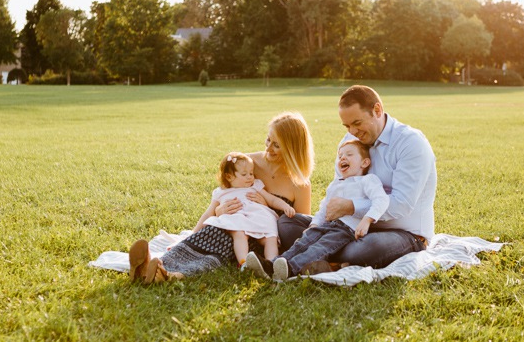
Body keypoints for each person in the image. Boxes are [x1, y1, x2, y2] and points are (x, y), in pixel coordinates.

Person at [129, 112, 314, 284]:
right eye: (268, 140)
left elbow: (295, 230)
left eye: (277, 145)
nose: (269, 149)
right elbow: (224, 195)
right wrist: (219, 211)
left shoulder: (300, 184)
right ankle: (152, 266)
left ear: (292, 148)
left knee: (223, 247)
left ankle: (169, 274)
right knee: (206, 236)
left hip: (261, 239)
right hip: (233, 220)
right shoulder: (249, 163)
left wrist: (267, 206)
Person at [278, 85, 436, 270]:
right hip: (347, 229)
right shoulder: (349, 142)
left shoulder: (410, 143)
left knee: (365, 249)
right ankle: (328, 257)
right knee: (288, 223)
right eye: (347, 126)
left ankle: (322, 256)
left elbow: (402, 204)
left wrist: (352, 207)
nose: (352, 131)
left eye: (357, 123)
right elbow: (340, 187)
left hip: (401, 233)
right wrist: (317, 225)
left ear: (377, 110)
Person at [247, 139, 389, 280]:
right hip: (327, 224)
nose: (343, 158)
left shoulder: (368, 180)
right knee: (302, 243)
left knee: (319, 248)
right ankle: (271, 265)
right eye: (340, 156)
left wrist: (367, 219)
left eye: (349, 154)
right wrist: (313, 225)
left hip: (346, 229)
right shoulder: (335, 184)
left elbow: (382, 200)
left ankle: (290, 268)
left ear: (364, 162)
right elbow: (323, 209)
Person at [194, 151, 295, 268]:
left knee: (270, 237)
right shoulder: (221, 192)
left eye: (251, 173)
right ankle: (244, 262)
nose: (250, 177)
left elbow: (272, 200)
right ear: (229, 176)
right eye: (244, 174)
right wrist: (193, 233)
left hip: (260, 217)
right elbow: (208, 214)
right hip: (238, 218)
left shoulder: (255, 185)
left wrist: (285, 206)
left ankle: (271, 263)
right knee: (239, 233)